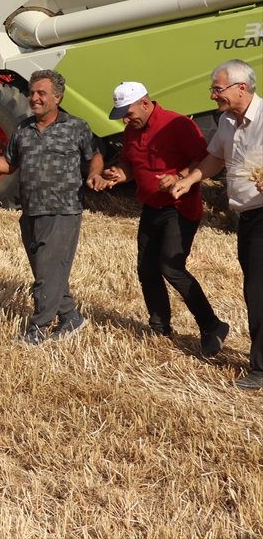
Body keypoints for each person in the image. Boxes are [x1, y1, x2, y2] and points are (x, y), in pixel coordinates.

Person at [0, 70, 103, 345]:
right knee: (47, 272)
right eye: (32, 92)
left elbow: (94, 156)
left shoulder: (76, 126)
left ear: (57, 97)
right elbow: (9, 165)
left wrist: (95, 174)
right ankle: (70, 316)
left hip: (62, 210)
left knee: (47, 274)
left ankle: (38, 328)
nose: (34, 98)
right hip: (31, 210)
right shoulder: (23, 129)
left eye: (41, 93)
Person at [94, 81, 229, 355]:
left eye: (128, 112)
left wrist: (179, 177)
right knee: (146, 269)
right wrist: (119, 174)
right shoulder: (132, 131)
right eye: (121, 114)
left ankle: (212, 325)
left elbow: (205, 161)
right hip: (151, 206)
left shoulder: (177, 124)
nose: (125, 119)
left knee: (172, 267)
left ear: (145, 103)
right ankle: (160, 325)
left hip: (180, 207)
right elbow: (130, 166)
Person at [170, 60, 263, 391]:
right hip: (248, 218)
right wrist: (191, 178)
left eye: (217, 88)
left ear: (241, 88)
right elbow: (216, 159)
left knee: (258, 291)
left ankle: (261, 368)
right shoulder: (226, 122)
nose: (212, 95)